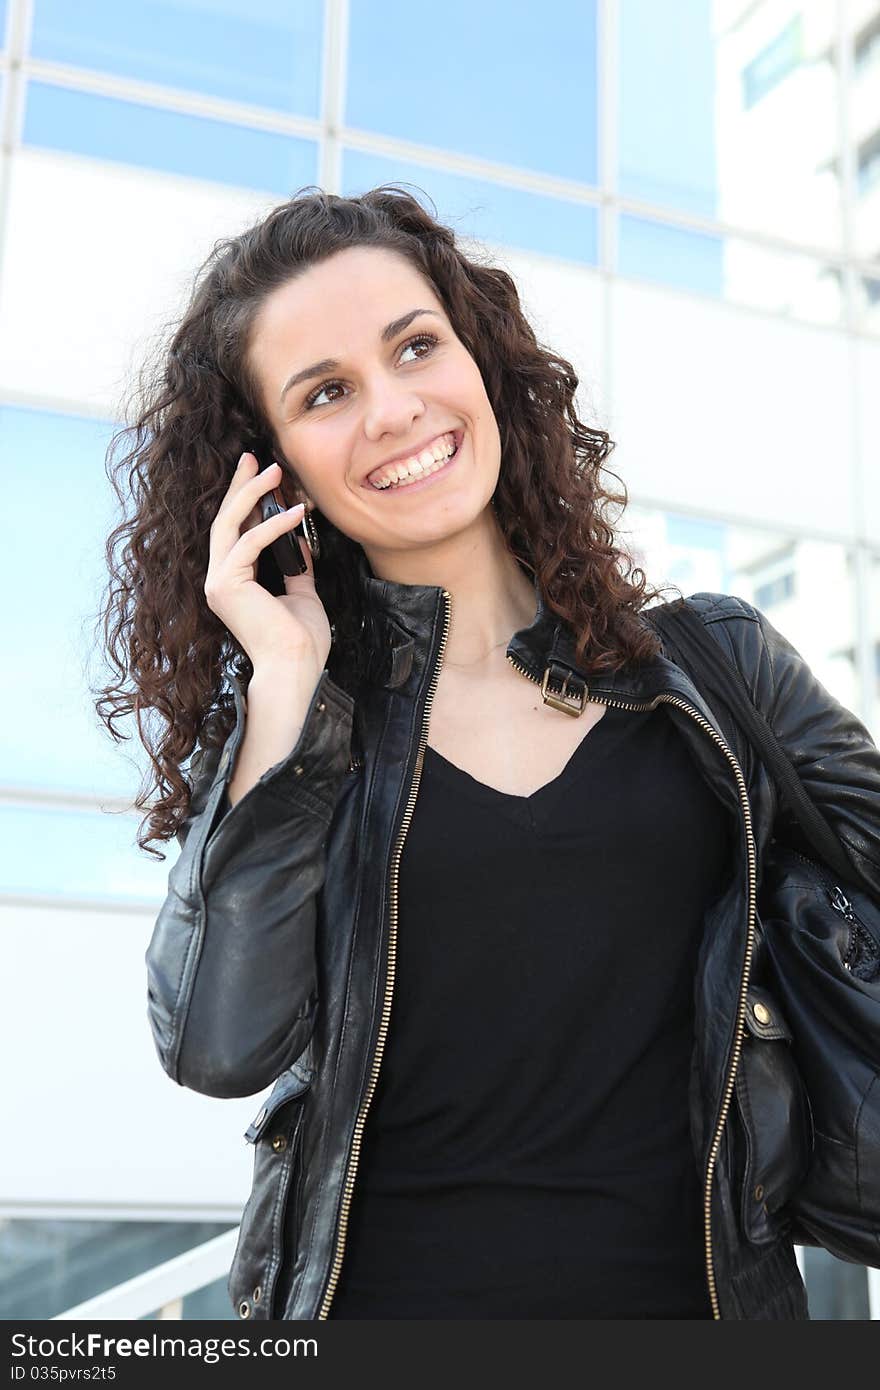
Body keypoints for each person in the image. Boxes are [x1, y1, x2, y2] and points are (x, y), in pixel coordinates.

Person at [94, 184, 880, 1321]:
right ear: (271, 470)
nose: (395, 409)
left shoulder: (717, 668)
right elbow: (219, 1041)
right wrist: (280, 680)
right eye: (326, 393)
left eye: (415, 346)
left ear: (482, 359)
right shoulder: (304, 722)